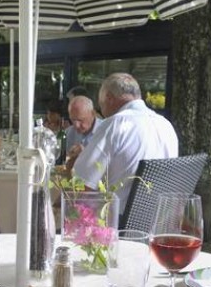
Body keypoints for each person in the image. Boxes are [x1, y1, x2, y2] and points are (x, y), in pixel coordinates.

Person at [72, 73, 178, 214]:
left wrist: (72, 165)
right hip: (159, 223)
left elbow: (81, 186)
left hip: (117, 226)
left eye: (100, 103)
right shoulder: (166, 126)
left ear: (109, 98)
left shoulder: (115, 124)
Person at [63, 95, 102, 171]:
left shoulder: (105, 131)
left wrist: (86, 154)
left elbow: (110, 165)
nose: (76, 125)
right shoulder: (69, 132)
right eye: (73, 120)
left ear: (93, 113)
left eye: (81, 120)